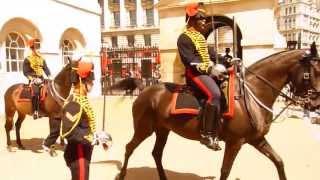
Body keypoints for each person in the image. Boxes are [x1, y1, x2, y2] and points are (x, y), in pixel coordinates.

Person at [177, 2, 222, 151]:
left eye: (204, 18)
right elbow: (189, 60)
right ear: (192, 20)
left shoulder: (200, 37)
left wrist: (228, 60)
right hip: (195, 74)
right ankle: (206, 134)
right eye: (201, 18)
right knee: (214, 95)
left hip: (205, 71)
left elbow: (210, 53)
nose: (204, 21)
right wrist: (209, 68)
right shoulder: (184, 38)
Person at [60, 54, 97, 180]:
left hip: (84, 151)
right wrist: (90, 138)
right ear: (82, 81)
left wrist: (97, 136)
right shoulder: (74, 103)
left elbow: (85, 126)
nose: (92, 84)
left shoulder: (81, 99)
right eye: (90, 81)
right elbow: (70, 133)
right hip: (78, 154)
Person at [23, 38, 51, 119]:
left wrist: (49, 76)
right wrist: (33, 79)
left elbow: (45, 68)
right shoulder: (28, 59)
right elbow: (25, 72)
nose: (36, 49)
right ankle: (35, 112)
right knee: (36, 92)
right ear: (31, 48)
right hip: (33, 79)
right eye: (35, 47)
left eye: (37, 47)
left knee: (51, 88)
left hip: (41, 78)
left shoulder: (41, 58)